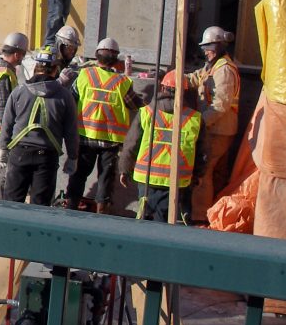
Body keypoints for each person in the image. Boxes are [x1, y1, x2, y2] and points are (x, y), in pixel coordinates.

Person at [65, 37, 143, 214]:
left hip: (85, 137)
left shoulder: (84, 75)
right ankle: (101, 212)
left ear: (96, 56)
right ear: (116, 59)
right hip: (110, 142)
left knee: (78, 175)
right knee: (105, 178)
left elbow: (72, 100)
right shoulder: (122, 82)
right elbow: (136, 105)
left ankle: (70, 207)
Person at [119, 70, 206, 223]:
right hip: (177, 180)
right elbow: (202, 152)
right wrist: (198, 175)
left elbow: (131, 143)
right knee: (165, 220)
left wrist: (124, 169)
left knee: (144, 218)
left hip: (147, 178)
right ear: (185, 92)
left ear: (163, 88)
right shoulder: (195, 118)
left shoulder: (147, 112)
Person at [0, 46, 79, 206]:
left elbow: (7, 123)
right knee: (39, 207)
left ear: (36, 67)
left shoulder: (19, 92)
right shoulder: (65, 96)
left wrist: (3, 148)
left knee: (11, 204)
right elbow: (71, 131)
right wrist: (72, 157)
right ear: (56, 69)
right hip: (46, 158)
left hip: (19, 153)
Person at [185, 26, 240, 223]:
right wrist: (175, 79)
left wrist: (199, 123)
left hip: (218, 130)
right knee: (216, 174)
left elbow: (220, 105)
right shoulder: (213, 66)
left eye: (207, 47)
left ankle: (200, 217)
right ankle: (214, 215)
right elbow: (196, 77)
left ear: (218, 46)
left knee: (204, 173)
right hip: (218, 129)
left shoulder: (224, 70)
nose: (205, 51)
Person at [0, 32, 29, 199]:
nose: (22, 58)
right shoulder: (4, 74)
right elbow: (2, 108)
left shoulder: (3, 70)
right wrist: (8, 135)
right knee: (4, 168)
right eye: (23, 54)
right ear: (17, 54)